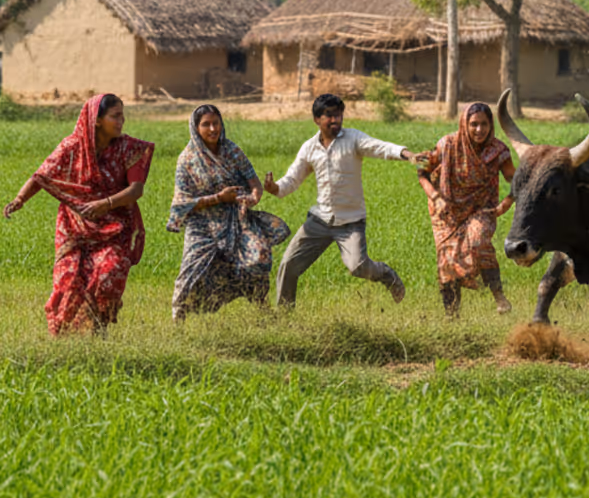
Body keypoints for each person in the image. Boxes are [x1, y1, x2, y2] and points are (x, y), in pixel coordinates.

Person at [3, 94, 153, 335]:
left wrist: (105, 204)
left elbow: (136, 190)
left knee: (108, 276)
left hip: (113, 227)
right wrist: (19, 199)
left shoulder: (128, 149)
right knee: (68, 282)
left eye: (122, 116)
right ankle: (63, 337)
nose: (121, 121)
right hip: (74, 227)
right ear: (96, 120)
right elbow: (41, 176)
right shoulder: (72, 147)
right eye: (115, 116)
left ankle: (97, 328)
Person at [263, 93, 423, 306]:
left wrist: (407, 154)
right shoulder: (309, 148)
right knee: (288, 265)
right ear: (317, 120)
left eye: (338, 115)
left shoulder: (353, 139)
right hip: (320, 221)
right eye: (329, 116)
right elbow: (292, 179)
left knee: (358, 267)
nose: (335, 120)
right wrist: (275, 188)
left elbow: (380, 147)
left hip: (350, 222)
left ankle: (387, 274)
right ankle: (284, 315)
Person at [168, 105, 291, 321]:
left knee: (259, 258)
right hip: (203, 223)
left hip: (236, 218)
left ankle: (263, 310)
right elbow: (182, 203)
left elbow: (253, 181)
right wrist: (217, 198)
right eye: (206, 124)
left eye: (216, 123)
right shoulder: (187, 160)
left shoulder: (232, 151)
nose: (213, 129)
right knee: (191, 271)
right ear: (195, 128)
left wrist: (254, 196)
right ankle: (179, 318)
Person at [418, 102, 516, 316]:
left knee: (479, 240)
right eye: (474, 124)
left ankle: (498, 295)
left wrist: (506, 203)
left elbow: (517, 180)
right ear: (465, 124)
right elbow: (422, 174)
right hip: (446, 212)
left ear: (491, 125)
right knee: (446, 264)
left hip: (482, 210)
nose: (479, 130)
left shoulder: (498, 151)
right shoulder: (447, 145)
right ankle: (452, 317)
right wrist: (435, 198)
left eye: (484, 124)